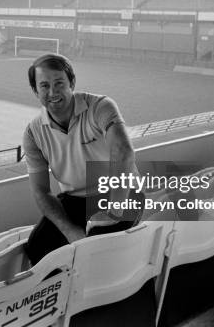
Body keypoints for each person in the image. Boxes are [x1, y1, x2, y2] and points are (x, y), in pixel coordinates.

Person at [22, 53, 144, 265]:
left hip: (122, 193)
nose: (53, 92)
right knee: (37, 247)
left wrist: (114, 212)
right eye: (44, 86)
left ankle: (105, 294)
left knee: (96, 249)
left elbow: (123, 151)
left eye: (59, 83)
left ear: (72, 83)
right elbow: (41, 191)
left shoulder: (101, 106)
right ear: (35, 91)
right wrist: (70, 231)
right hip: (76, 200)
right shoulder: (33, 133)